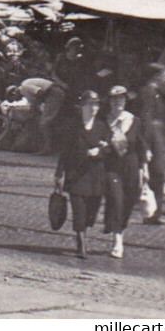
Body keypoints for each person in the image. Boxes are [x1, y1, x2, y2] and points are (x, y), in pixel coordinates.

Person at [54, 89, 109, 259]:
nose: (93, 108)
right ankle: (81, 243)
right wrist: (59, 173)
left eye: (96, 105)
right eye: (90, 105)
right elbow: (64, 151)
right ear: (82, 107)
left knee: (92, 209)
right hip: (76, 174)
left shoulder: (101, 126)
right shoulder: (72, 126)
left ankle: (84, 229)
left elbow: (108, 149)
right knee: (79, 210)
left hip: (95, 175)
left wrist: (98, 152)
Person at [102, 84, 144, 258]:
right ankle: (117, 240)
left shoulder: (134, 121)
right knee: (117, 200)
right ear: (109, 101)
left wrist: (144, 170)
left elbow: (141, 146)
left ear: (126, 101)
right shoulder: (104, 121)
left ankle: (119, 227)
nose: (117, 102)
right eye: (114, 99)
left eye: (121, 99)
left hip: (131, 167)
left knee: (128, 202)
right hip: (111, 167)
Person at [135, 62, 165, 225]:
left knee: (158, 176)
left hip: (158, 137)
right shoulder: (149, 92)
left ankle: (154, 214)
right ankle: (151, 214)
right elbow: (146, 119)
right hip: (153, 138)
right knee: (156, 175)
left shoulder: (156, 92)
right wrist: (147, 146)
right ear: (157, 76)